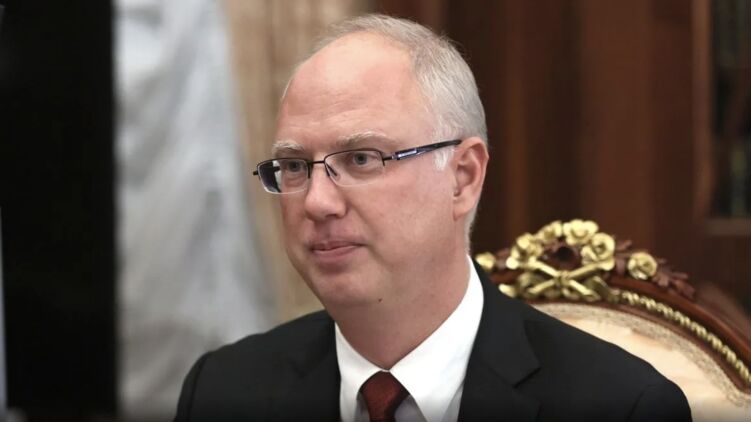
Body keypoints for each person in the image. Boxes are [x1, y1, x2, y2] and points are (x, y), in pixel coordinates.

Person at [174, 14, 691, 422]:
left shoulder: (622, 405)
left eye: (361, 159)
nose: (317, 202)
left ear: (462, 177)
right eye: (293, 166)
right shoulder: (221, 390)